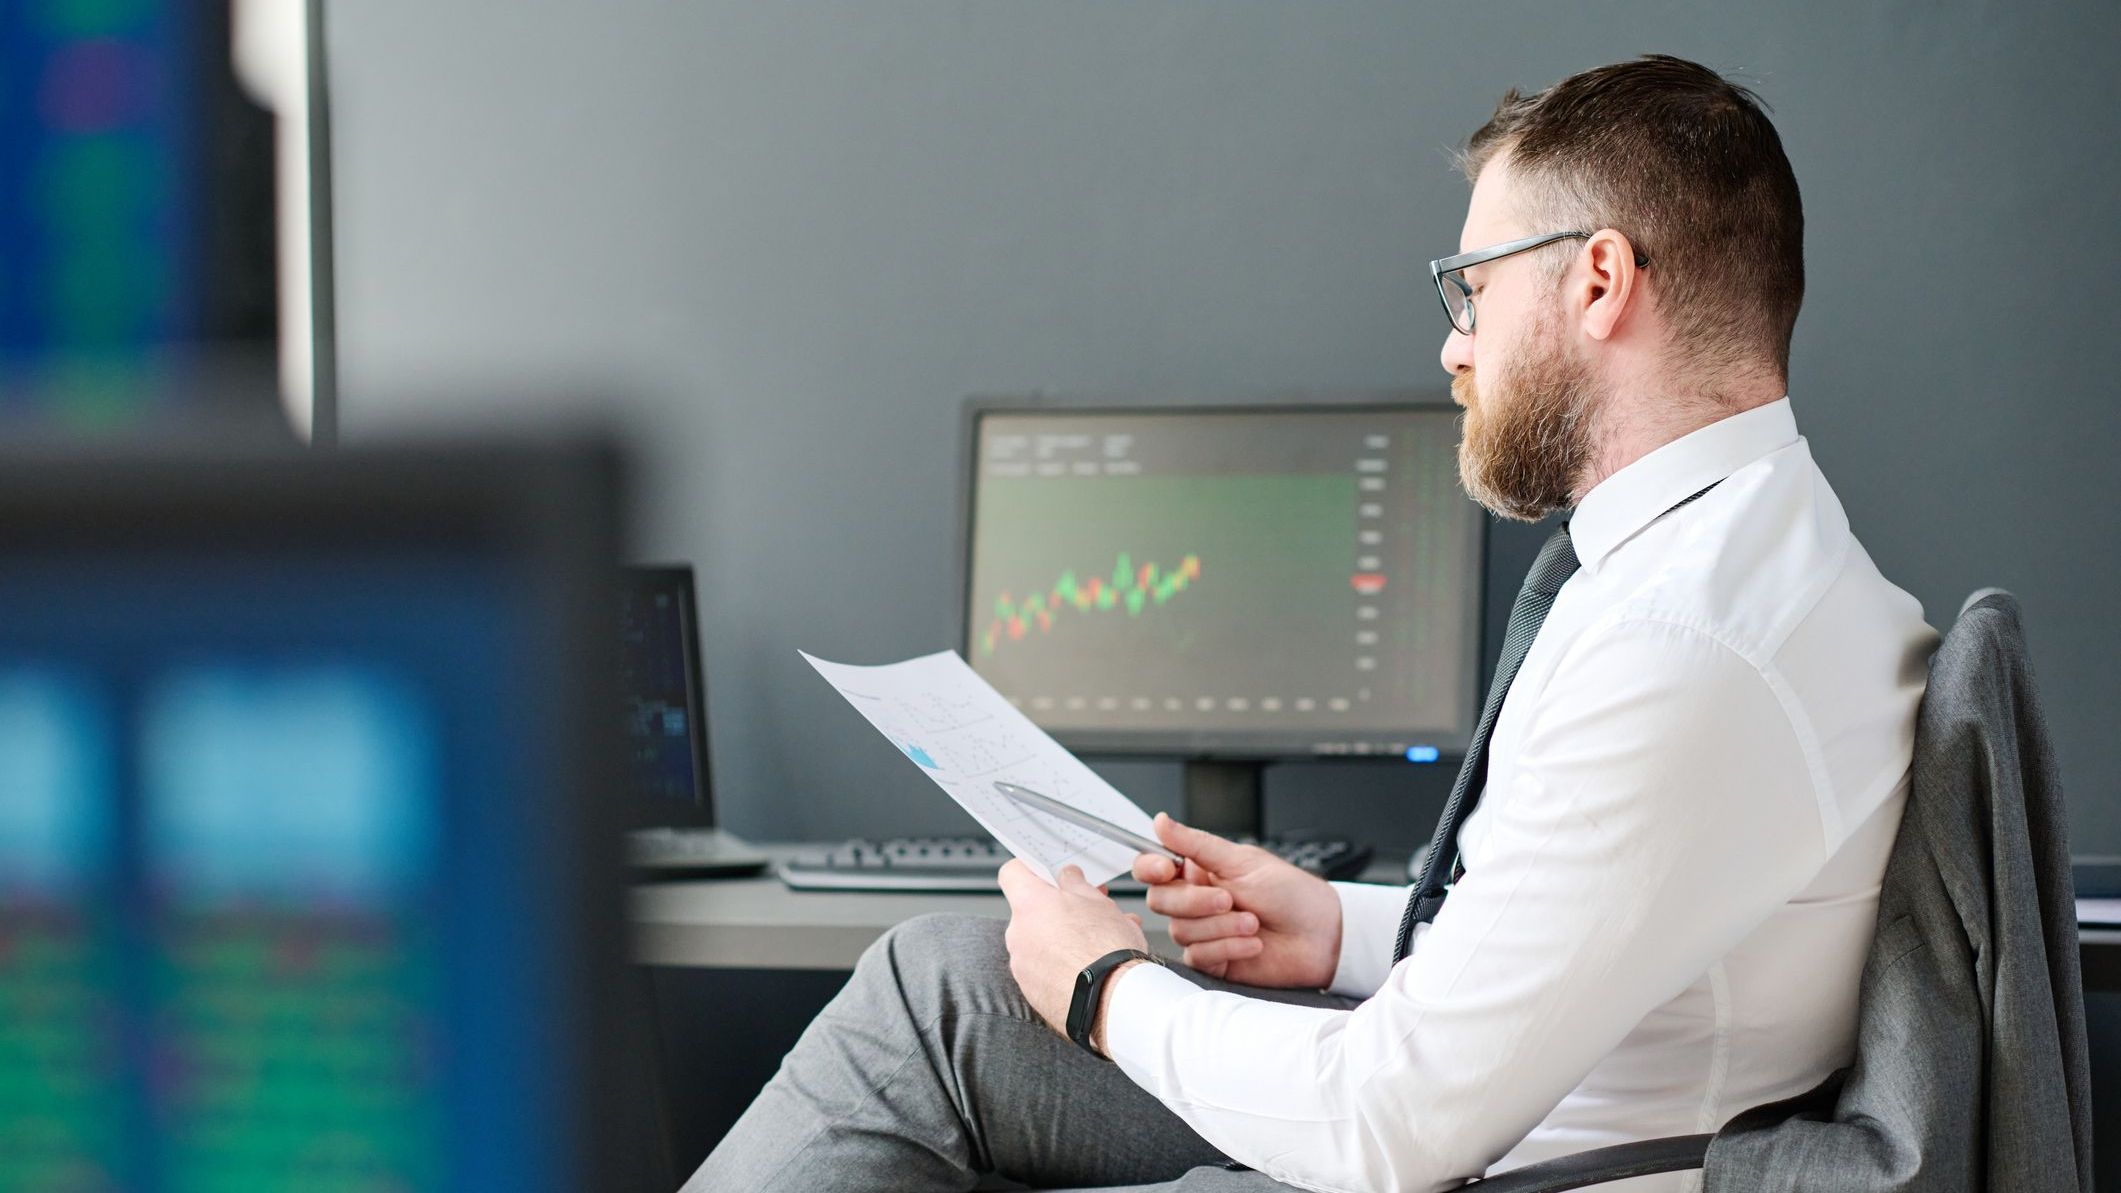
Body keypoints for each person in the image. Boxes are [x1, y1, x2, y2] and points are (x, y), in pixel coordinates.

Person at [683, 55, 1937, 1193]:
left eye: (1472, 290)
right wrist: (1337, 924)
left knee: (969, 997)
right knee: (940, 982)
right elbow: (1585, 943)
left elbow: (1390, 1124)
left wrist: (1105, 987)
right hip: (1517, 1109)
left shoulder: (1688, 641)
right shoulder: (1744, 555)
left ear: (1599, 279)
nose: (1455, 347)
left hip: (1488, 1160)